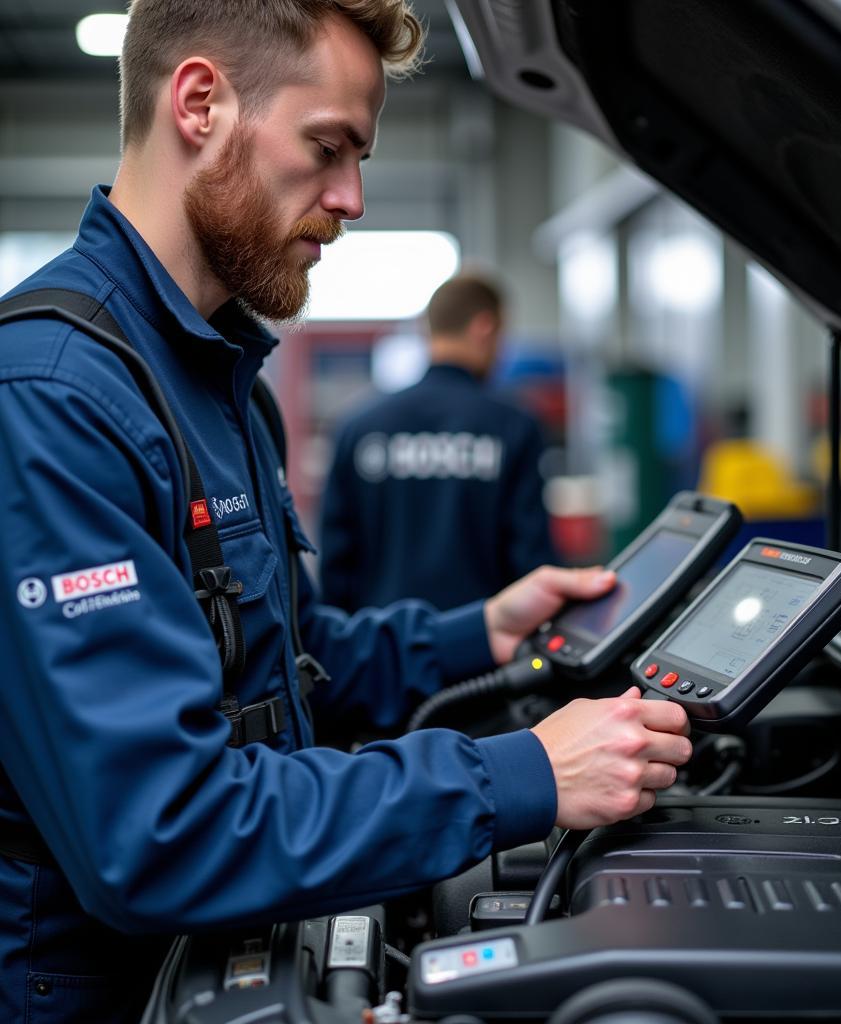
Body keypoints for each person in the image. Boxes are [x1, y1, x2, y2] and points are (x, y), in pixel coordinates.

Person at [0, 2, 692, 1021]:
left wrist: (482, 631)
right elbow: (156, 833)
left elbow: (287, 658)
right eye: (328, 148)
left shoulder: (219, 380)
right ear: (200, 103)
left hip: (221, 956)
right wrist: (523, 772)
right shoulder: (53, 402)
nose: (352, 198)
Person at [320, 272, 558, 611]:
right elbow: (531, 559)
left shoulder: (358, 428)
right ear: (484, 328)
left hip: (379, 649)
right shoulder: (513, 427)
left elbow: (335, 564)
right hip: (485, 647)